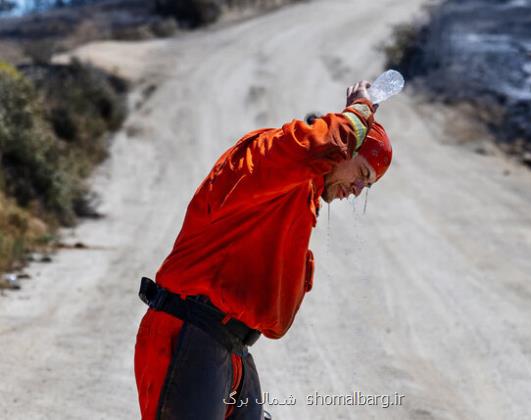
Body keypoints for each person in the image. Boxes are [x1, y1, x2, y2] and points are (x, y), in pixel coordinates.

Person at [134, 80, 393, 419]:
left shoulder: (301, 201)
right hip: (190, 333)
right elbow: (309, 146)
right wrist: (359, 113)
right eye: (361, 173)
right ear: (344, 147)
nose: (358, 190)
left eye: (368, 185)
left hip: (229, 347)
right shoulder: (268, 159)